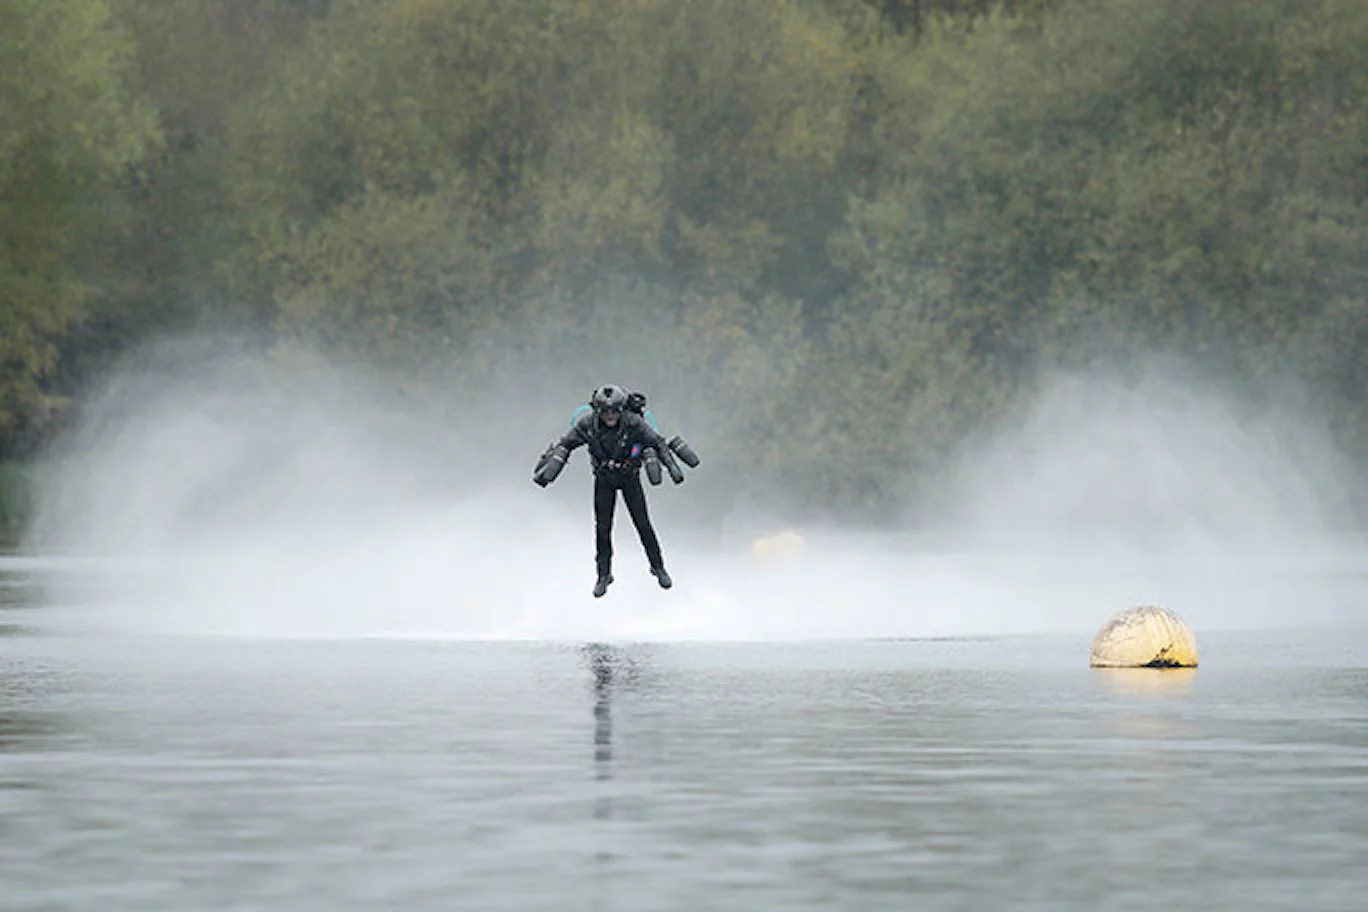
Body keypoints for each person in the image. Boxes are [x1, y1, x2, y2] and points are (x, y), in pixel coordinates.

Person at [533, 384, 700, 597]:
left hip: (629, 478)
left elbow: (658, 442)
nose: (610, 416)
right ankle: (603, 575)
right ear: (598, 411)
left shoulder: (634, 424)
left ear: (622, 410)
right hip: (604, 480)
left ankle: (658, 567)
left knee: (643, 524)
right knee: (602, 529)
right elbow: (566, 444)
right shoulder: (588, 425)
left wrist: (672, 467)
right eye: (605, 411)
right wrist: (550, 469)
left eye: (614, 411)